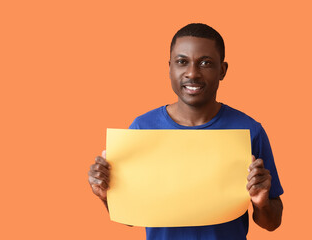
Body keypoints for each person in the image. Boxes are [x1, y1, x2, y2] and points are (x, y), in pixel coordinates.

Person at [88, 23, 283, 240]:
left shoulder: (250, 131)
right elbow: (132, 218)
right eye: (182, 62)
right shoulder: (142, 129)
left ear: (222, 70)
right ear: (170, 68)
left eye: (205, 63)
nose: (192, 73)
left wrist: (261, 202)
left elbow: (272, 223)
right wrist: (107, 196)